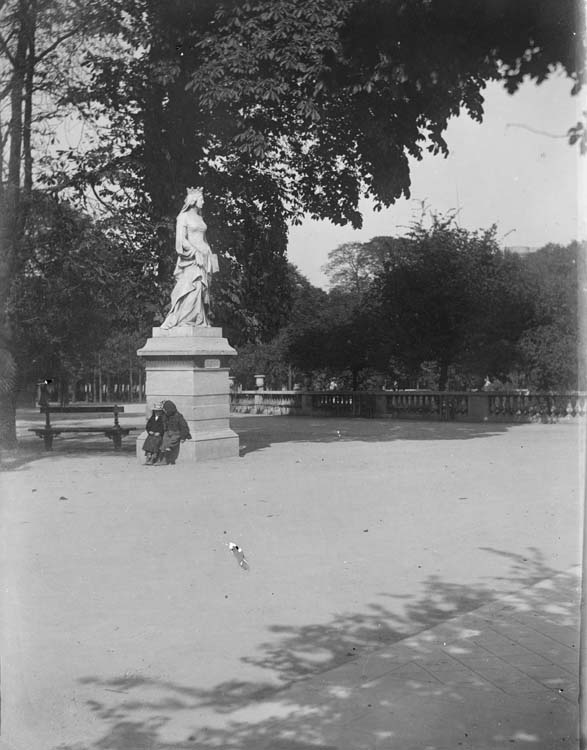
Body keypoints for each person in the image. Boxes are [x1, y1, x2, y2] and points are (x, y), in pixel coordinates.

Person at [161, 186, 218, 329]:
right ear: (193, 200)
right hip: (192, 258)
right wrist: (195, 252)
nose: (203, 202)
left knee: (202, 290)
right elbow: (181, 240)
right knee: (192, 286)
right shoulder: (183, 217)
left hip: (205, 258)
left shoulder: (200, 218)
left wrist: (210, 255)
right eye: (201, 199)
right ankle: (185, 319)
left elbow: (203, 239)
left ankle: (199, 319)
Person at [159, 400, 192, 465]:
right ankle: (162, 459)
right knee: (163, 444)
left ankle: (165, 459)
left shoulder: (178, 416)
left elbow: (184, 427)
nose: (165, 411)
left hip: (176, 433)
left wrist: (183, 437)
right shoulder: (165, 416)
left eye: (165, 410)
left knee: (169, 444)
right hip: (167, 432)